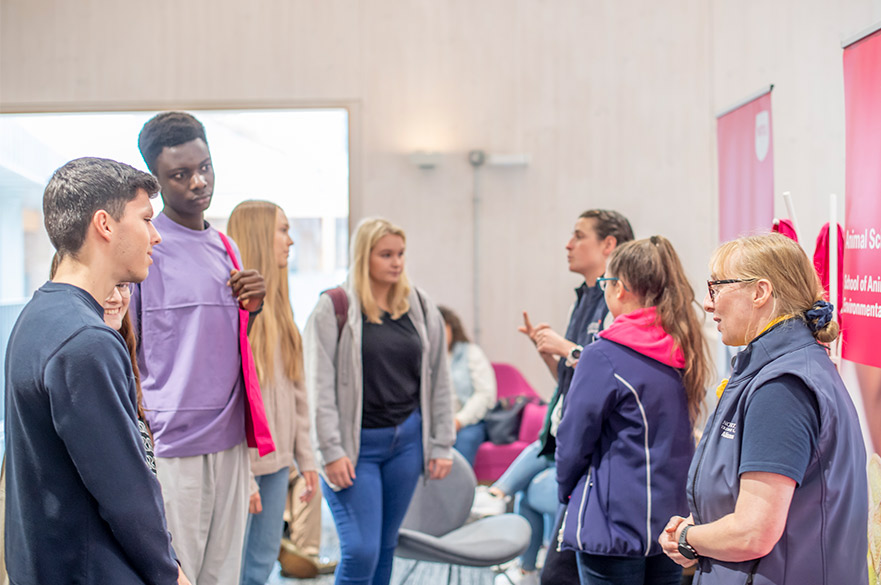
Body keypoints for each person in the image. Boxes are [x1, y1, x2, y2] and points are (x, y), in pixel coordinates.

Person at [4, 157, 188, 584]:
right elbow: (126, 493)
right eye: (145, 219)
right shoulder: (85, 341)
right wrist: (170, 573)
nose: (156, 236)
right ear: (105, 225)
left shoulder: (38, 316)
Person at [660, 233, 869, 585]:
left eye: (716, 288)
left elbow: (753, 532)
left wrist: (687, 538)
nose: (709, 305)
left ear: (760, 292)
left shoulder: (781, 387)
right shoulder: (788, 369)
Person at [133, 111, 270, 585]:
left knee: (222, 577)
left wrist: (251, 311)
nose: (198, 182)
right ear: (157, 180)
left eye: (205, 167)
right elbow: (128, 348)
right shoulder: (146, 249)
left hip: (230, 440)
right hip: (173, 445)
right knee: (176, 576)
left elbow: (223, 349)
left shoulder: (227, 248)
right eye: (181, 174)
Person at [303, 217, 455, 585]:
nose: (396, 262)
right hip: (356, 451)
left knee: (386, 546)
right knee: (361, 550)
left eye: (400, 254)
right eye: (385, 254)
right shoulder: (333, 307)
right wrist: (331, 451)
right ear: (363, 257)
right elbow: (318, 388)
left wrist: (441, 445)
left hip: (406, 443)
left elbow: (439, 379)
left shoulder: (418, 304)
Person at [489, 209, 634, 585]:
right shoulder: (583, 299)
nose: (568, 245)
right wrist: (548, 352)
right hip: (568, 438)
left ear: (608, 244)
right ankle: (502, 508)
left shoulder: (619, 302)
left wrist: (567, 348)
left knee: (561, 569)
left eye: (579, 236)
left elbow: (618, 376)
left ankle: (495, 496)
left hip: (595, 454)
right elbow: (573, 382)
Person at [556, 236, 710, 585]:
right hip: (669, 526)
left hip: (613, 527)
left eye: (605, 283)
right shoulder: (682, 344)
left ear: (620, 288)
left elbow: (573, 439)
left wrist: (566, 491)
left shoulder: (604, 355)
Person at [226, 200, 321, 585]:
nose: (291, 240)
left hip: (278, 462)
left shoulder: (282, 311)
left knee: (261, 564)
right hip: (242, 466)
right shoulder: (232, 310)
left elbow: (298, 394)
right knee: (234, 567)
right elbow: (230, 400)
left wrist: (307, 459)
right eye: (283, 230)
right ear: (261, 237)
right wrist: (244, 475)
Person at [438, 305, 497, 466]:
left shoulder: (471, 353)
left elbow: (485, 395)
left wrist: (459, 421)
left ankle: (457, 489)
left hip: (467, 423)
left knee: (464, 442)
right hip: (436, 424)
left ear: (452, 328)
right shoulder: (426, 358)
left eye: (441, 328)